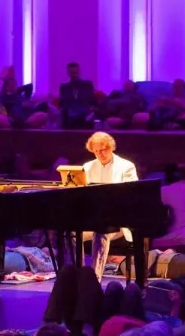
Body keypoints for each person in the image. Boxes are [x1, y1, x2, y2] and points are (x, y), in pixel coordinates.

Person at [83, 132, 139, 280]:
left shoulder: (126, 166)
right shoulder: (87, 167)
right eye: (96, 151)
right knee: (70, 234)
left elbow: (131, 196)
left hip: (119, 222)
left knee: (102, 231)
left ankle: (94, 279)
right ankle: (77, 275)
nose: (100, 154)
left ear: (111, 148)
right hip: (92, 219)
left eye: (103, 150)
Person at [59, 62, 96, 129]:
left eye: (75, 72)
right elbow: (63, 103)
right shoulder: (64, 87)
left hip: (85, 112)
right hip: (70, 114)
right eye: (72, 72)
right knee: (68, 113)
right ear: (68, 73)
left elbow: (91, 100)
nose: (74, 74)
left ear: (79, 72)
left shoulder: (87, 85)